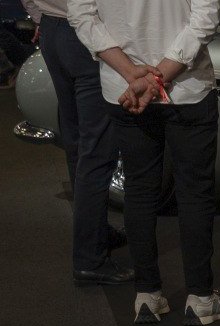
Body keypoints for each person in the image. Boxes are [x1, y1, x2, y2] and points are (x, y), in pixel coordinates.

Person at [69, 0, 220, 325]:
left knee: (139, 189)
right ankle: (200, 297)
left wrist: (133, 74)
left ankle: (147, 294)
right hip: (186, 88)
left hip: (124, 87)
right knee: (194, 192)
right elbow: (205, 17)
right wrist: (159, 76)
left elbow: (81, 14)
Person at [23, 0, 130, 284]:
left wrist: (39, 18)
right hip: (84, 33)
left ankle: (95, 233)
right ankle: (90, 258)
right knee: (96, 149)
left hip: (52, 30)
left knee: (78, 143)